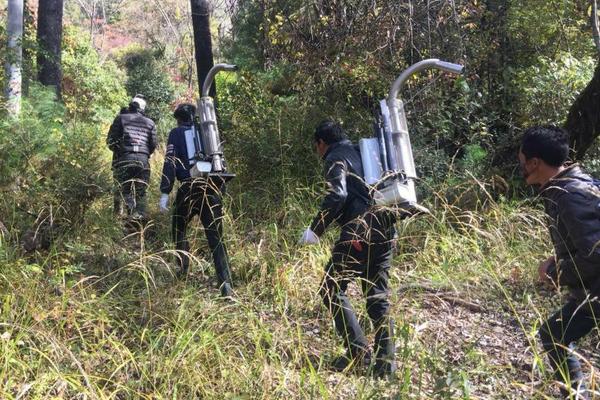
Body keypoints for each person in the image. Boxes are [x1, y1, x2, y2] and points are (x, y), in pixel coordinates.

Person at [299, 120, 397, 378]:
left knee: (331, 287)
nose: (317, 150)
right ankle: (386, 367)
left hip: (359, 231)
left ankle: (357, 353)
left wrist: (315, 230)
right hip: (386, 227)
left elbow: (337, 195)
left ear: (321, 143)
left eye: (315, 146)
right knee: (377, 295)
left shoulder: (335, 157)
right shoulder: (364, 152)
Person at [519, 125, 600, 398]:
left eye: (522, 160)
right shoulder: (564, 188)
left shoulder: (569, 195)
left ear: (534, 163)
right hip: (592, 291)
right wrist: (557, 258)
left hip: (596, 294)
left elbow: (596, 253)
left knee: (554, 334)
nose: (521, 166)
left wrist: (556, 272)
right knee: (555, 333)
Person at [158, 103, 234, 297]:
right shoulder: (208, 131)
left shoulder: (176, 133)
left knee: (179, 229)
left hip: (188, 187)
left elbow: (170, 162)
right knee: (216, 239)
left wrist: (165, 193)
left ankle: (182, 274)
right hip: (211, 187)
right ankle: (226, 287)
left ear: (178, 118)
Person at [107, 95, 157, 219]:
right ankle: (140, 220)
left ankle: (124, 215)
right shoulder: (150, 123)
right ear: (143, 108)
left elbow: (110, 141)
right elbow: (153, 144)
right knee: (141, 191)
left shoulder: (121, 118)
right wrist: (144, 154)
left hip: (124, 158)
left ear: (131, 105)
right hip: (143, 161)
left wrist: (120, 152)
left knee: (123, 189)